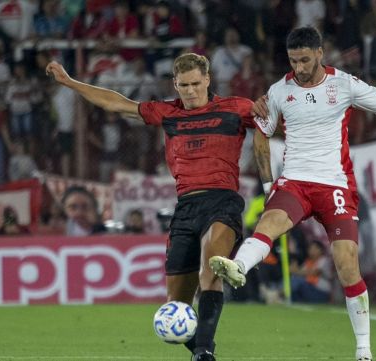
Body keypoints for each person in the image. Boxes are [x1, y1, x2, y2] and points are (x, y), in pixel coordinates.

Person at [209, 26, 376, 361]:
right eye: (294, 60)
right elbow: (261, 136)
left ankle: (364, 350)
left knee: (346, 264)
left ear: (320, 53)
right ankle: (237, 268)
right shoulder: (279, 91)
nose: (299, 67)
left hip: (335, 184)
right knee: (269, 222)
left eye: (305, 59)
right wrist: (270, 187)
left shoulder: (344, 85)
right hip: (295, 182)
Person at [46, 53, 256, 361]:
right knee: (174, 309)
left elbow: (276, 119)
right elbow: (115, 103)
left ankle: (204, 353)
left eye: (196, 84)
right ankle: (201, 347)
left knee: (212, 267)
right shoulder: (167, 112)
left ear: (208, 80)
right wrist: (69, 82)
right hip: (185, 207)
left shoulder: (236, 108)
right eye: (183, 85)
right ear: (175, 83)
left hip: (222, 201)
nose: (190, 91)